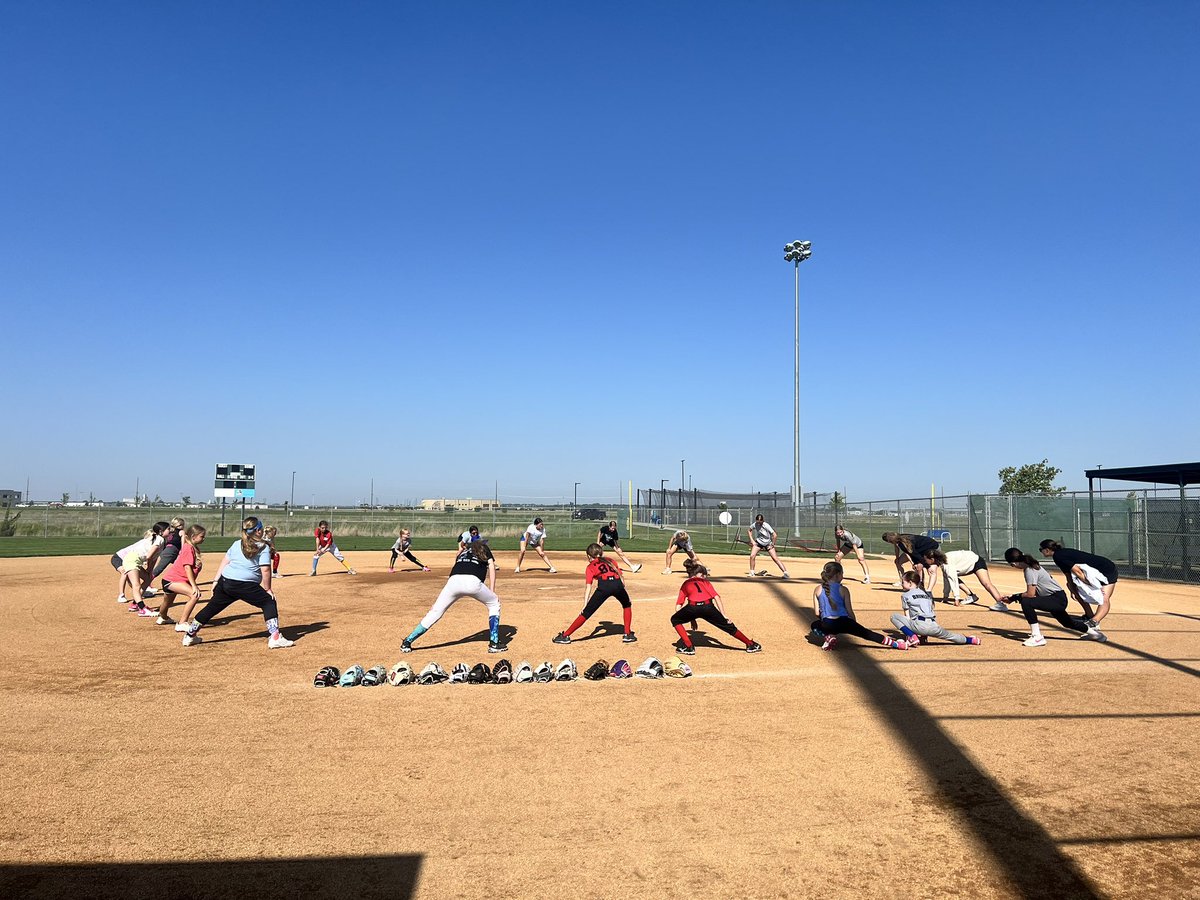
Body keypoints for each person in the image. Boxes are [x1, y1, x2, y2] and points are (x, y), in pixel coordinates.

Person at [180, 516, 294, 649]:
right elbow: (266, 570)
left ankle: (189, 635)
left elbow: (225, 561)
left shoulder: (237, 543)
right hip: (245, 585)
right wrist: (268, 589)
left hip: (226, 581)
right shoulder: (263, 547)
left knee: (211, 608)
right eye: (261, 528)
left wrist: (216, 580)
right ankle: (275, 637)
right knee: (268, 602)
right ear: (258, 531)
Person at [401, 541, 508, 654]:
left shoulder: (463, 553)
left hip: (453, 581)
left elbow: (456, 567)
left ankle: (407, 641)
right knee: (494, 603)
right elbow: (491, 566)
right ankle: (494, 643)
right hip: (472, 582)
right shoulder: (484, 548)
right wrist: (492, 591)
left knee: (435, 612)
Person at [1002, 548, 1105, 646]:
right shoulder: (1032, 565)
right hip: (1055, 598)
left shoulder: (1029, 569)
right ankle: (1096, 635)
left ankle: (1037, 636)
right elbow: (1036, 592)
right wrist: (1013, 598)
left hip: (1056, 599)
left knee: (1026, 602)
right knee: (1068, 623)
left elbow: (1030, 594)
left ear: (1013, 564)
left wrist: (1014, 597)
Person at [810, 561, 909, 651]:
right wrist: (853, 623)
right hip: (844, 622)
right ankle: (896, 644)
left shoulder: (817, 589)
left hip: (827, 624)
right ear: (838, 574)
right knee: (867, 634)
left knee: (814, 625)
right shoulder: (843, 590)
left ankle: (829, 636)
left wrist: (825, 621)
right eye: (842, 574)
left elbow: (817, 613)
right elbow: (849, 610)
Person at [670, 559, 761, 655]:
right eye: (705, 576)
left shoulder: (685, 584)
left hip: (692, 607)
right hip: (708, 607)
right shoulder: (705, 582)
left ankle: (688, 646)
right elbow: (717, 597)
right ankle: (750, 644)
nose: (706, 578)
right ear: (700, 575)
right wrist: (723, 615)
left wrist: (690, 617)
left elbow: (678, 606)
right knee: (728, 627)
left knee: (675, 619)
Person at [553, 543, 638, 645]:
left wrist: (585, 604)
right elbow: (621, 576)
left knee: (587, 612)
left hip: (604, 586)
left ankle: (565, 636)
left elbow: (588, 586)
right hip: (617, 584)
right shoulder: (610, 560)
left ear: (589, 556)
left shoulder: (590, 567)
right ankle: (627, 634)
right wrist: (622, 590)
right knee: (627, 604)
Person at [890, 570, 981, 646]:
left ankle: (912, 637)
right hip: (934, 626)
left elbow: (908, 616)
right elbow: (928, 611)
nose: (901, 584)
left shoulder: (905, 595)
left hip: (919, 626)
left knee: (894, 617)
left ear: (910, 583)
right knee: (951, 636)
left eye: (903, 582)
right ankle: (971, 640)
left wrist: (910, 633)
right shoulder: (926, 594)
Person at [1039, 539, 1118, 627]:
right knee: (1073, 587)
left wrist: (1091, 584)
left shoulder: (1058, 556)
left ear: (1047, 550)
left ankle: (1094, 622)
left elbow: (1078, 571)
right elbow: (1068, 574)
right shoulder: (1058, 556)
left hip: (1106, 569)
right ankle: (1089, 615)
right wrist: (1072, 590)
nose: (1041, 552)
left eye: (1040, 549)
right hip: (1096, 571)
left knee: (1104, 598)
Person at [111, 522, 170, 614]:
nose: (170, 530)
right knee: (136, 585)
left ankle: (135, 604)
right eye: (168, 529)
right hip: (132, 559)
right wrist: (148, 567)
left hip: (135, 560)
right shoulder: (160, 539)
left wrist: (149, 571)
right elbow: (149, 556)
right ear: (161, 531)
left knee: (148, 579)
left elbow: (153, 558)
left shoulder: (161, 540)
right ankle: (142, 609)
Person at [156, 524, 206, 627]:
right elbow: (187, 567)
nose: (203, 538)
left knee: (167, 602)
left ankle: (163, 617)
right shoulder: (188, 548)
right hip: (173, 580)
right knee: (194, 595)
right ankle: (182, 623)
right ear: (193, 537)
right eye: (202, 536)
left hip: (171, 580)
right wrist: (194, 586)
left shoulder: (192, 547)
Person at [923, 549, 1008, 610]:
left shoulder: (947, 564)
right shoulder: (943, 561)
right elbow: (947, 579)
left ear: (932, 559)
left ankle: (1001, 604)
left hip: (976, 562)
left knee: (986, 583)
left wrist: (956, 599)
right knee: (951, 577)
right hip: (969, 562)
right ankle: (971, 596)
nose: (925, 562)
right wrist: (946, 597)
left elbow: (952, 580)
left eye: (926, 560)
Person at [150, 517, 186, 585]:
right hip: (171, 551)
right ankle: (147, 583)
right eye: (182, 524)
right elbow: (183, 544)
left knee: (180, 565)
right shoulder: (181, 532)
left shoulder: (170, 532)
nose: (183, 526)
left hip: (167, 550)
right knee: (159, 569)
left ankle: (179, 580)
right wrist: (182, 552)